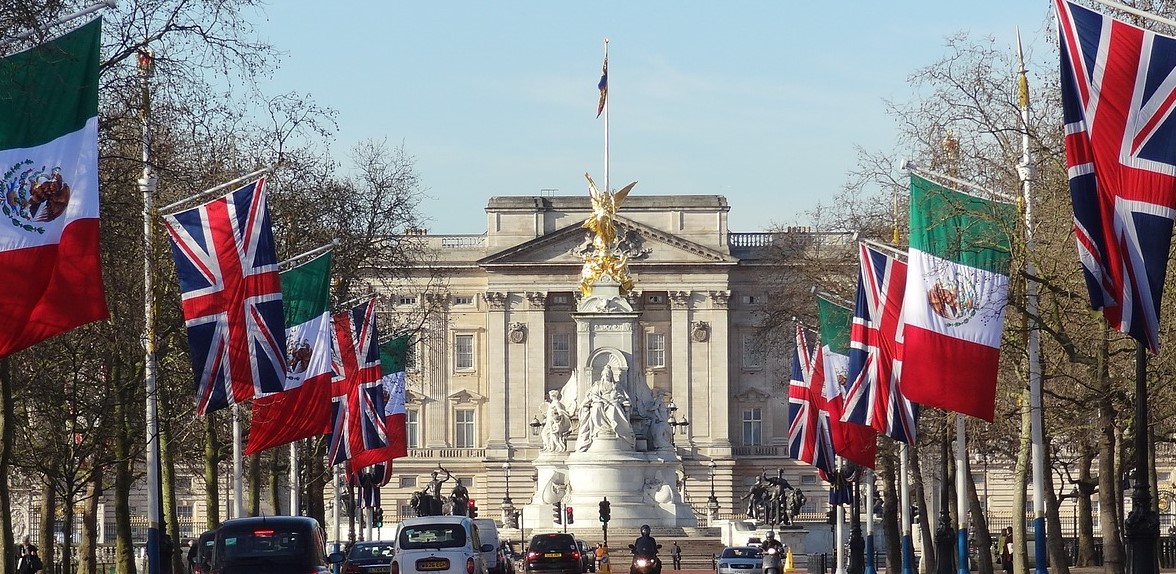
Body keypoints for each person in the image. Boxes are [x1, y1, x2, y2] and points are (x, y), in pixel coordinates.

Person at [576, 364, 634, 451]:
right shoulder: (598, 384)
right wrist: (602, 400)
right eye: (605, 374)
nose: (607, 376)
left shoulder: (616, 385)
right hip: (601, 401)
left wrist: (618, 398)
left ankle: (618, 429)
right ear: (602, 375)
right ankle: (600, 429)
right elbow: (594, 395)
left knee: (614, 407)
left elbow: (621, 396)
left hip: (612, 402)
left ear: (611, 376)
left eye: (608, 375)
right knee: (597, 406)